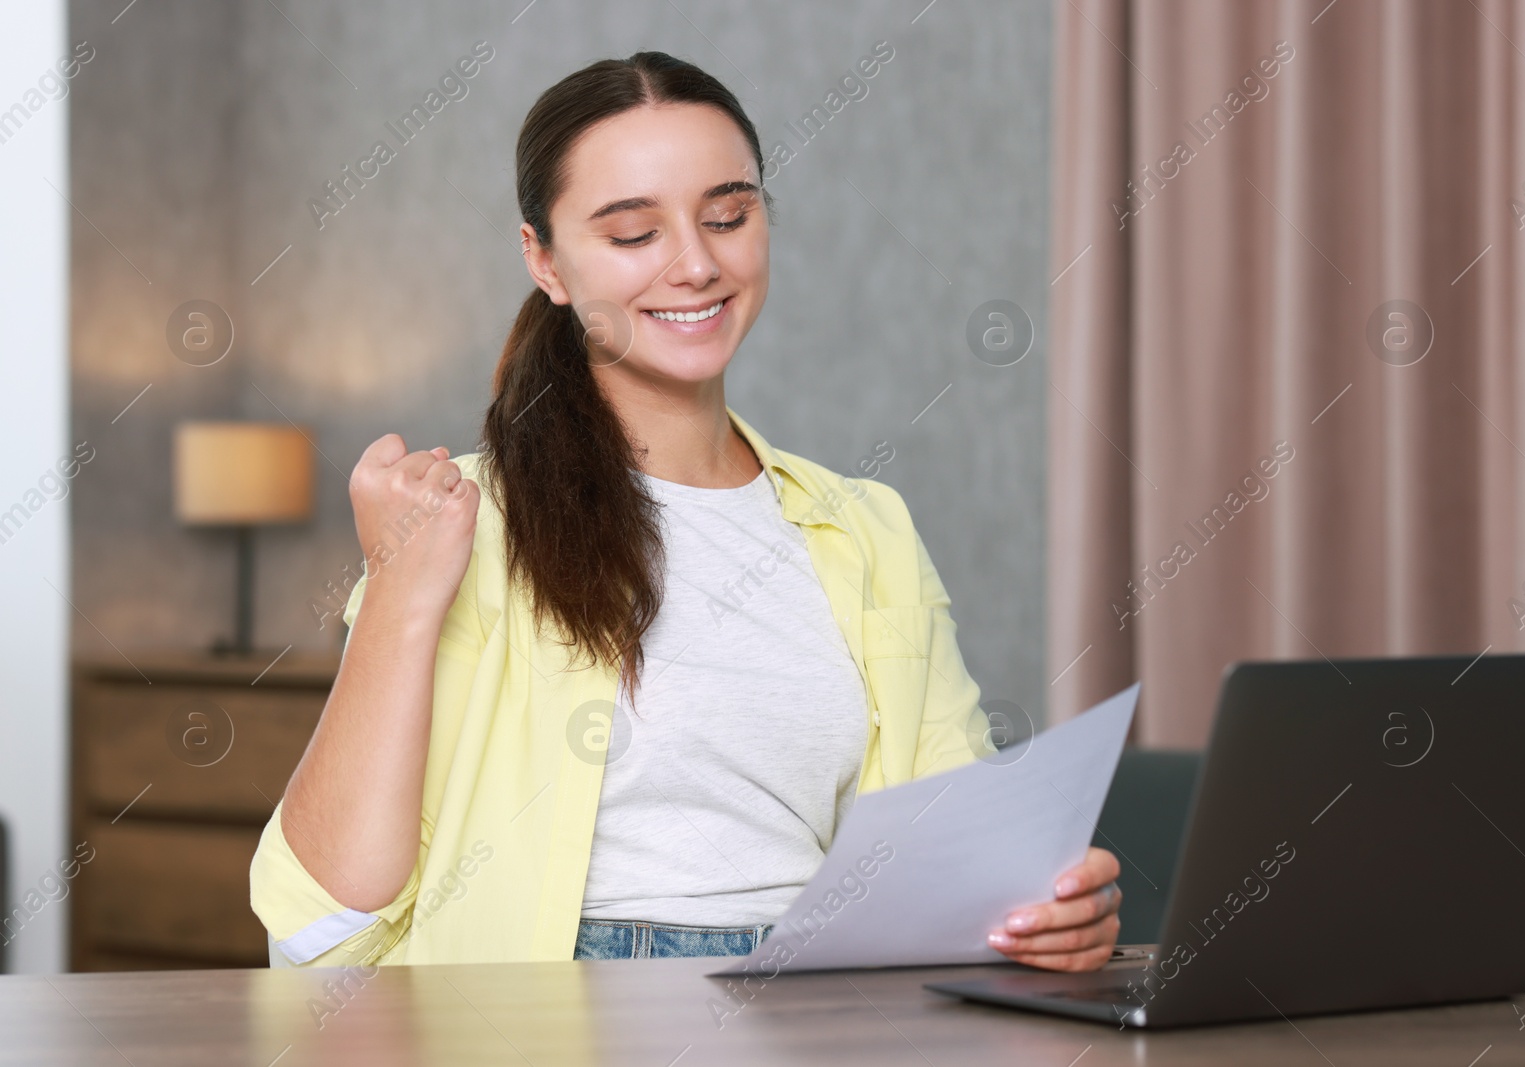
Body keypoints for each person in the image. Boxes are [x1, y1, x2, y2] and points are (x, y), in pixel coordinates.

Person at [250, 50, 1121, 969]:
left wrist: (1042, 913)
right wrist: (396, 587)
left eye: (727, 216)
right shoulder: (459, 522)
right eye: (633, 235)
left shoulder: (868, 529)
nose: (698, 264)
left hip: (819, 1008)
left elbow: (957, 860)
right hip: (542, 1020)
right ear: (545, 261)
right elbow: (317, 924)